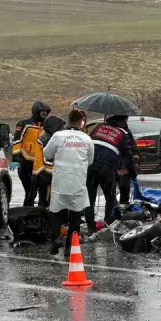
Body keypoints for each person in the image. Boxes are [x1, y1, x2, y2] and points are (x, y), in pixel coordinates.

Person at [43, 109, 95, 257]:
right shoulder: (86, 139)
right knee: (75, 215)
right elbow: (90, 160)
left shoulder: (58, 136)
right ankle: (69, 248)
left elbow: (47, 154)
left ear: (68, 121)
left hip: (60, 181)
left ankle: (55, 237)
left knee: (56, 212)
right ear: (81, 122)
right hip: (77, 182)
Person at [86, 115, 134, 225]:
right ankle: (108, 222)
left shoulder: (99, 127)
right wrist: (132, 172)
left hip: (91, 164)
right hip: (107, 167)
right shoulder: (122, 133)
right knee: (110, 197)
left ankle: (90, 225)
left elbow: (88, 141)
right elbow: (128, 155)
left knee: (90, 197)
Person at [11, 101, 51, 205]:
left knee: (43, 192)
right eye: (43, 112)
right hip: (26, 163)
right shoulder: (24, 124)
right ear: (36, 111)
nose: (45, 114)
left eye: (46, 112)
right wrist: (16, 159)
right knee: (30, 192)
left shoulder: (48, 125)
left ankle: (41, 216)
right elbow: (17, 141)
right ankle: (27, 215)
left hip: (41, 164)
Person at [32, 115, 66, 208]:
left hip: (41, 174)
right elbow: (49, 158)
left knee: (43, 199)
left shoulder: (44, 137)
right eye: (60, 127)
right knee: (47, 201)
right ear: (53, 127)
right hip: (47, 174)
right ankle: (47, 219)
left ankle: (43, 217)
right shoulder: (49, 139)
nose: (62, 129)